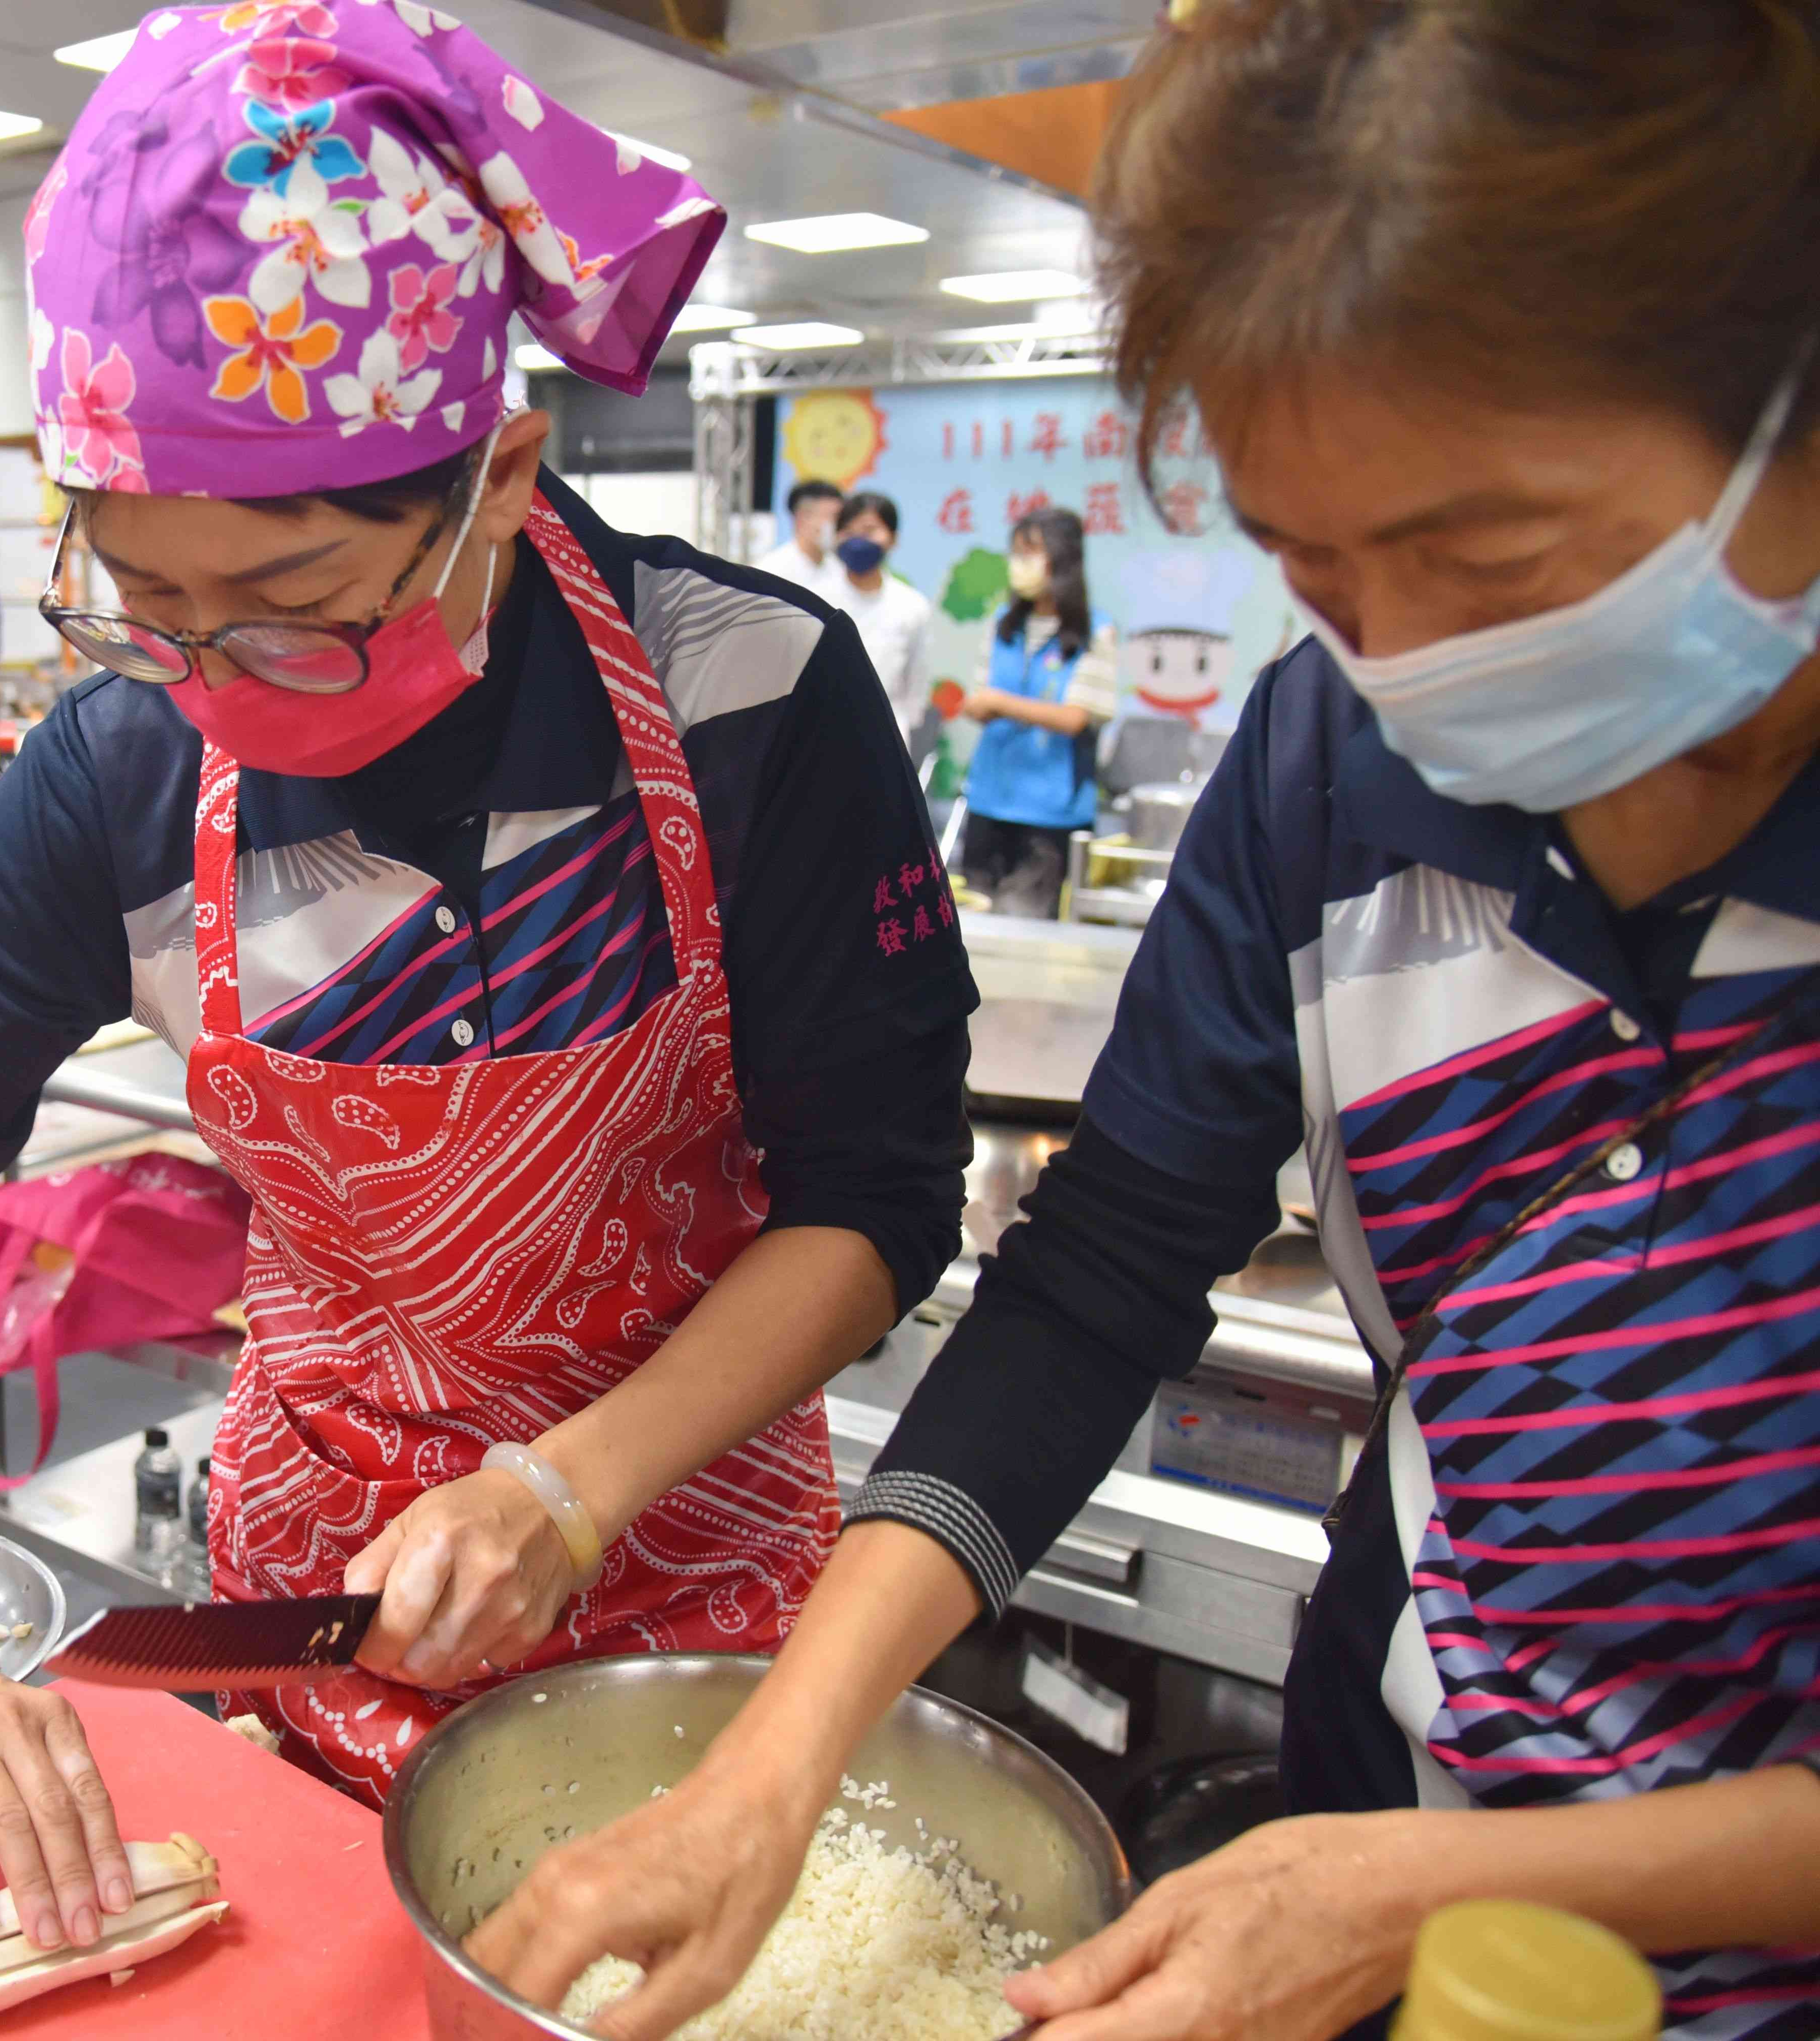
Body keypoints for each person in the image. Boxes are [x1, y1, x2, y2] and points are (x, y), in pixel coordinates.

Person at [472, 4, 1820, 2037]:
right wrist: (775, 1757)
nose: (1402, 665)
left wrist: (1463, 1880)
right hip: (1395, 1839)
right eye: (1314, 570)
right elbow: (1104, 1266)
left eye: (1487, 554)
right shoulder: (1322, 766)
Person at [0, 4, 971, 1963]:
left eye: (300, 613)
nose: (216, 678)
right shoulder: (122, 766)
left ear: (496, 479)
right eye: (145, 605)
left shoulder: (747, 697)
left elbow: (872, 1203)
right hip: (319, 1584)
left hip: (690, 1586)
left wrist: (567, 1491)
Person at [953, 505, 1118, 915]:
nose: (1019, 565)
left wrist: (1000, 703)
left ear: (1062, 560)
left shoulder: (1094, 632)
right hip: (990, 797)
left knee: (1024, 923)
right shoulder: (1002, 625)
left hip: (1051, 810)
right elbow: (981, 696)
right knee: (972, 920)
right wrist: (981, 706)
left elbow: (1078, 716)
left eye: (1031, 554)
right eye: (1016, 554)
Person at [822, 491, 937, 752]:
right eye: (848, 531)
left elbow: (917, 684)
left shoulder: (912, 605)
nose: (858, 540)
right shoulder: (817, 597)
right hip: (822, 732)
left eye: (869, 530)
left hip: (888, 736)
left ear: (893, 538)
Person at [752, 478, 844, 599]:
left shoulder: (839, 568)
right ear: (803, 518)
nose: (840, 526)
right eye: (834, 517)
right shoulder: (771, 572)